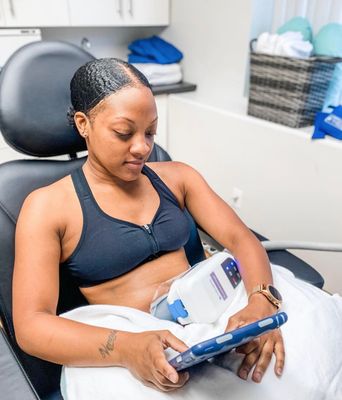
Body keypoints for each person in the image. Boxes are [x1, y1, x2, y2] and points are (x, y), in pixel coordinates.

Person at [13, 57, 284, 394]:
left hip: (213, 314)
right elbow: (31, 326)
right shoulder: (47, 207)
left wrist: (261, 303)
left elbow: (242, 240)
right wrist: (127, 349)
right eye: (124, 132)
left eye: (150, 132)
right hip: (129, 339)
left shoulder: (178, 177)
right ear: (84, 124)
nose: (142, 148)